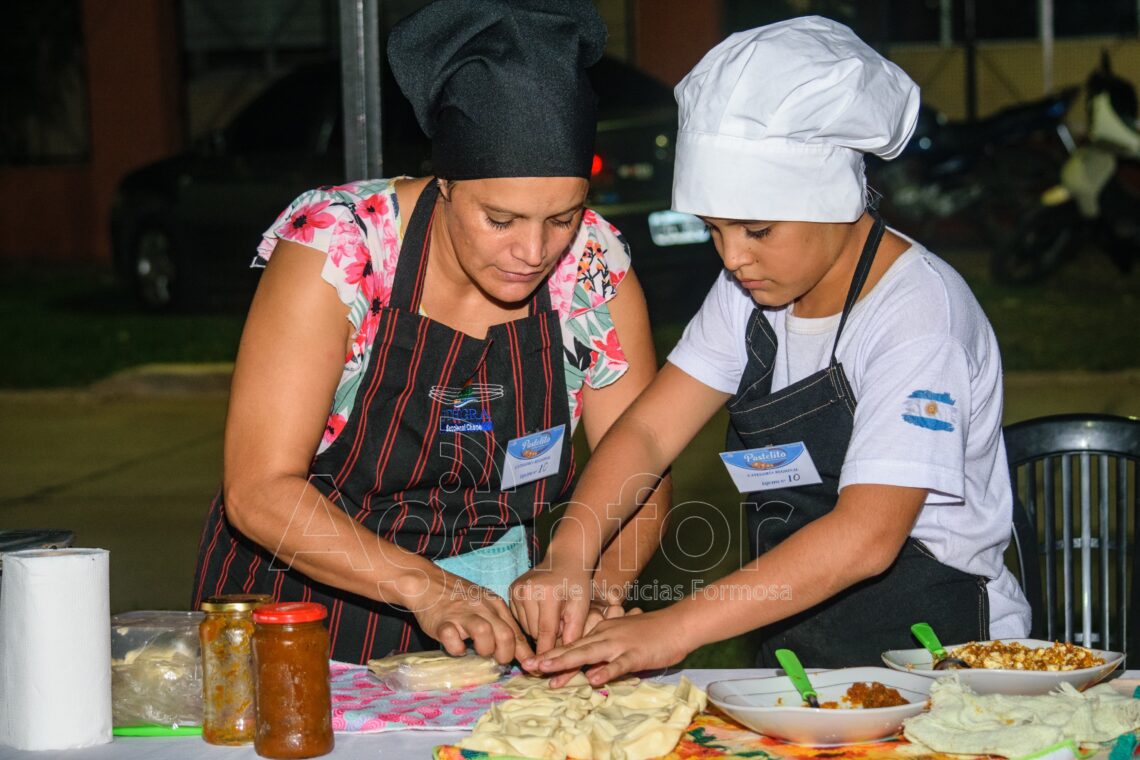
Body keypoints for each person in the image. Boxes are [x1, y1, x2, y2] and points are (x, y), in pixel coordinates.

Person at [512, 15, 1032, 681]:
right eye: (714, 230)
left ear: (836, 198)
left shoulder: (918, 318)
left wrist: (674, 629)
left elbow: (866, 538)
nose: (733, 257)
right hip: (797, 658)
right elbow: (646, 432)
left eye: (757, 228)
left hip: (945, 661)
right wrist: (569, 554)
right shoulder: (749, 292)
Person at [192, 0, 669, 666]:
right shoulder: (340, 250)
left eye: (561, 218)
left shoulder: (593, 267)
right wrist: (428, 588)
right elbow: (260, 489)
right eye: (500, 219)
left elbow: (638, 470)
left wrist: (594, 590)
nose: (533, 252)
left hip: (492, 615)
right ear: (444, 183)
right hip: (303, 610)